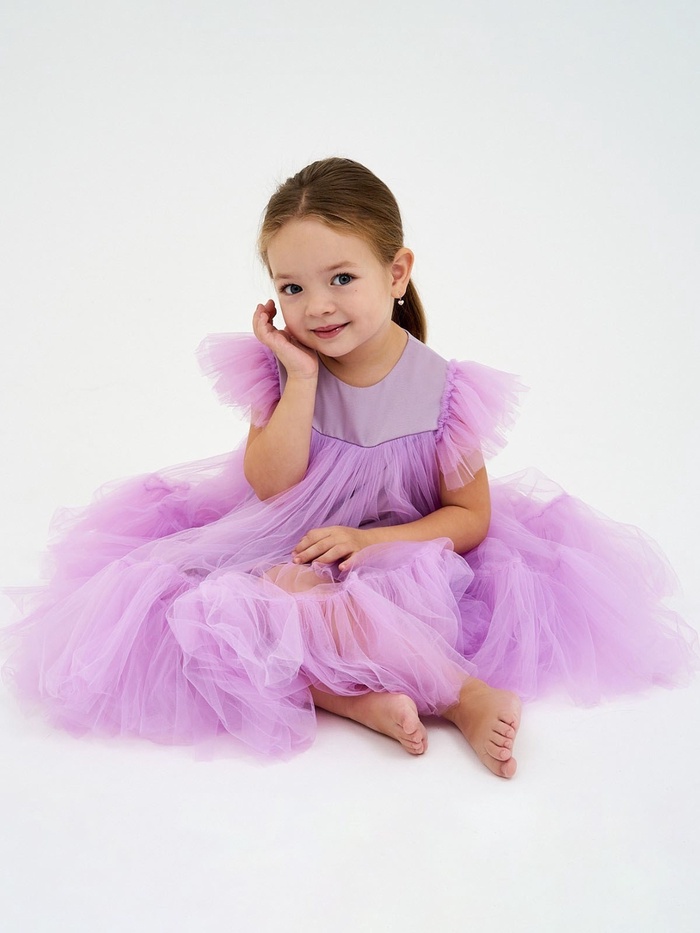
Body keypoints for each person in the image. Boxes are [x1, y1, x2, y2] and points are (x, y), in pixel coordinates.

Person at [2, 158, 696, 779]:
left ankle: (462, 695)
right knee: (222, 610)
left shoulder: (443, 390)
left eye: (341, 278)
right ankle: (355, 700)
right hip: (292, 545)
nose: (318, 306)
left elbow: (470, 517)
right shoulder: (284, 372)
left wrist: (371, 542)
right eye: (292, 287)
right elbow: (271, 485)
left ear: (396, 273)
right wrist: (301, 377)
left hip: (400, 553)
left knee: (370, 608)